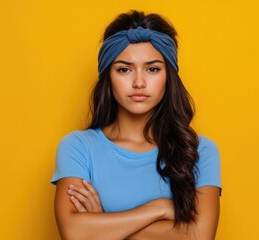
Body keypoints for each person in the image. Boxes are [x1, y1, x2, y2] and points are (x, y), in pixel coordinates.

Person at [51, 10, 221, 240]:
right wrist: (159, 208)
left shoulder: (200, 151)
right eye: (124, 69)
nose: (139, 82)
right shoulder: (79, 147)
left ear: (168, 76)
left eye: (152, 69)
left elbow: (199, 236)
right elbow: (74, 233)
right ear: (108, 76)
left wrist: (103, 224)